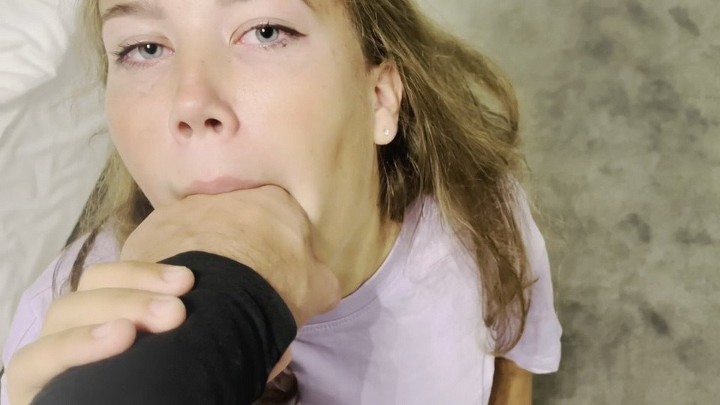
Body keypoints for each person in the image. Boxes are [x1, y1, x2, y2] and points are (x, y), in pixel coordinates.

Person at [2, 0, 563, 403]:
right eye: (144, 48)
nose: (191, 102)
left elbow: (517, 356)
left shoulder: (478, 219)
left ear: (378, 98)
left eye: (266, 31)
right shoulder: (63, 329)